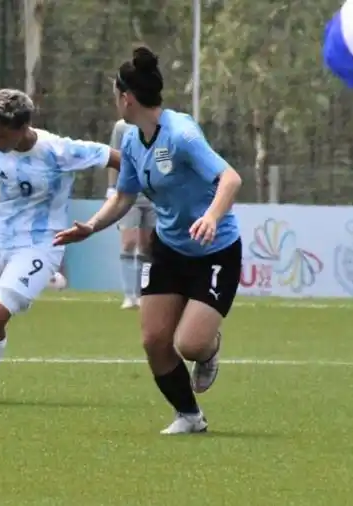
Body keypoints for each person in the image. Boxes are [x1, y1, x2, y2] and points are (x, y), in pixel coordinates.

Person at [54, 47, 243, 434]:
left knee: (189, 344)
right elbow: (124, 197)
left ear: (127, 97)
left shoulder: (182, 135)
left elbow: (231, 179)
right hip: (169, 249)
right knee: (155, 341)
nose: (114, 103)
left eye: (114, 96)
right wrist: (90, 226)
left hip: (215, 250)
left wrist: (210, 217)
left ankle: (208, 348)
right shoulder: (133, 140)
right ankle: (189, 416)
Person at [0, 88, 121, 405]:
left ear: (22, 129)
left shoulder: (57, 151)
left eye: (3, 135)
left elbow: (116, 158)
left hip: (41, 244)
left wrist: (140, 185)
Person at [107, 119, 155, 309]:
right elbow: (113, 158)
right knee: (129, 242)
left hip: (153, 194)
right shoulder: (121, 127)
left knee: (147, 246)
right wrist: (111, 188)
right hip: (128, 192)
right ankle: (129, 295)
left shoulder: (159, 124)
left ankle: (143, 293)